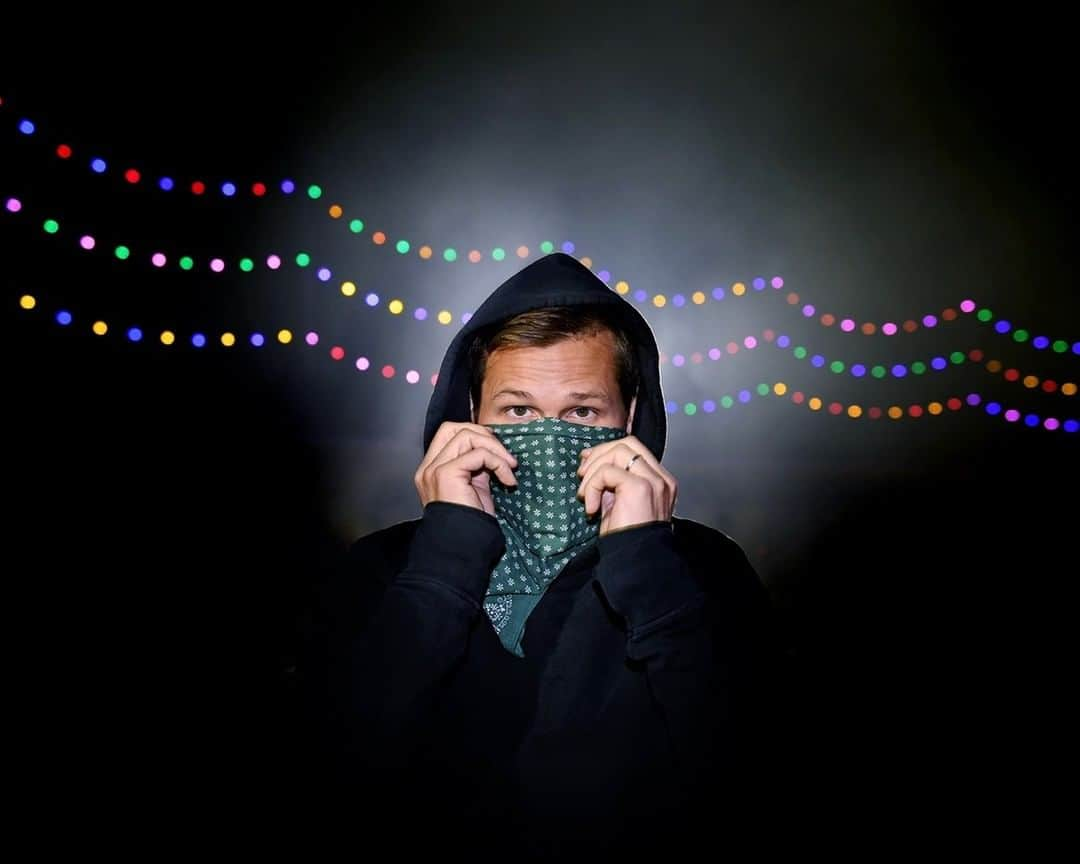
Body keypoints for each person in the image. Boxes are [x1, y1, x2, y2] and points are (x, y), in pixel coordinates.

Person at [300, 252, 787, 855]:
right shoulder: (383, 567)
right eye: (519, 410)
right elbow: (330, 771)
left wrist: (646, 564)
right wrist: (446, 554)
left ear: (629, 419)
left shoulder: (704, 569)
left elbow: (755, 779)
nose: (550, 437)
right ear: (472, 414)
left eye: (582, 412)